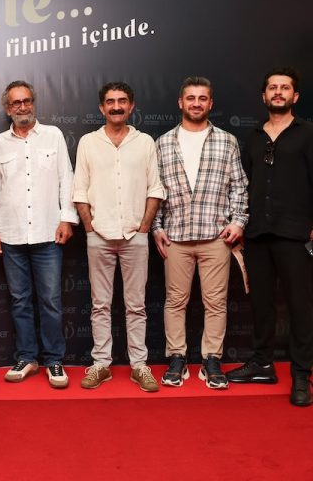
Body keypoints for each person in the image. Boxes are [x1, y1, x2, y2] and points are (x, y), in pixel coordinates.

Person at [152, 76, 248, 390]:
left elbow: (239, 187)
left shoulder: (227, 141)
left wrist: (238, 222)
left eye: (202, 98)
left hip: (216, 237)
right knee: (174, 302)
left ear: (210, 103)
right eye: (191, 98)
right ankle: (177, 358)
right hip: (175, 237)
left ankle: (212, 360)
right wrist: (156, 227)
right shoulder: (163, 142)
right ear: (180, 102)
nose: (196, 103)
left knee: (216, 303)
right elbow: (155, 190)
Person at [226, 66, 313, 407]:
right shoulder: (253, 137)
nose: (278, 92)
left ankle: (302, 373)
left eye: (285, 87)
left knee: (300, 306)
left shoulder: (308, 133)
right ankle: (262, 363)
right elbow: (243, 185)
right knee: (261, 304)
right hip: (257, 233)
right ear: (264, 96)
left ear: (295, 96)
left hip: (295, 234)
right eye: (272, 87)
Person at [0, 80, 78, 388]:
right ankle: (27, 357)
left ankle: (53, 360)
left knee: (50, 301)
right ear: (7, 108)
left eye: (27, 101)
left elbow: (67, 178)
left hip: (48, 234)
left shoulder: (53, 135)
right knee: (19, 300)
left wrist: (67, 219)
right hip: (11, 236)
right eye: (16, 103)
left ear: (33, 103)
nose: (22, 107)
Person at [73, 82, 165, 391]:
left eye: (122, 101)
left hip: (135, 236)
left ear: (131, 106)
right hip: (98, 235)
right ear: (102, 108)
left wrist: (144, 229)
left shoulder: (145, 142)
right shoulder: (88, 142)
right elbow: (80, 190)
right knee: (100, 304)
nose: (116, 106)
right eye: (110, 102)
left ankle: (139, 365)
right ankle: (101, 364)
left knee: (136, 305)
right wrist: (89, 229)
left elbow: (155, 188)